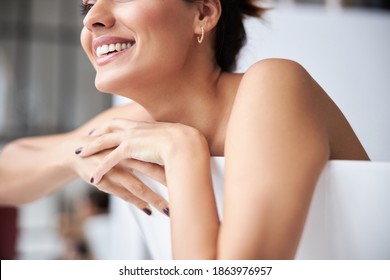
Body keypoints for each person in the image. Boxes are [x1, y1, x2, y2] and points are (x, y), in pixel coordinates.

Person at [0, 0, 369, 259]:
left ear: (204, 13)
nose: (91, 18)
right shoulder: (138, 123)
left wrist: (182, 150)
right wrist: (76, 155)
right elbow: (6, 175)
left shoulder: (275, 84)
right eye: (87, 4)